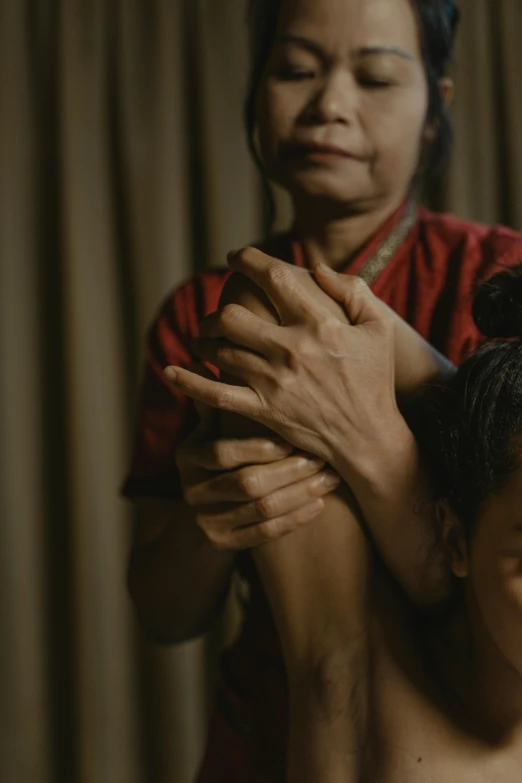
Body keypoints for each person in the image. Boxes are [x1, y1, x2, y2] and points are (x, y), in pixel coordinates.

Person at [123, 0, 522, 779]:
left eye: (374, 76)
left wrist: (368, 439)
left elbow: (495, 580)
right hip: (266, 731)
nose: (330, 104)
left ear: (436, 105)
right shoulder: (200, 316)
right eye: (296, 69)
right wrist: (217, 510)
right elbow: (164, 610)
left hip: (450, 727)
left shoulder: (498, 284)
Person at [169, 258, 522, 781]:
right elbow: (268, 303)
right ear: (456, 538)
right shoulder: (357, 681)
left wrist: (426, 559)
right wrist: (386, 451)